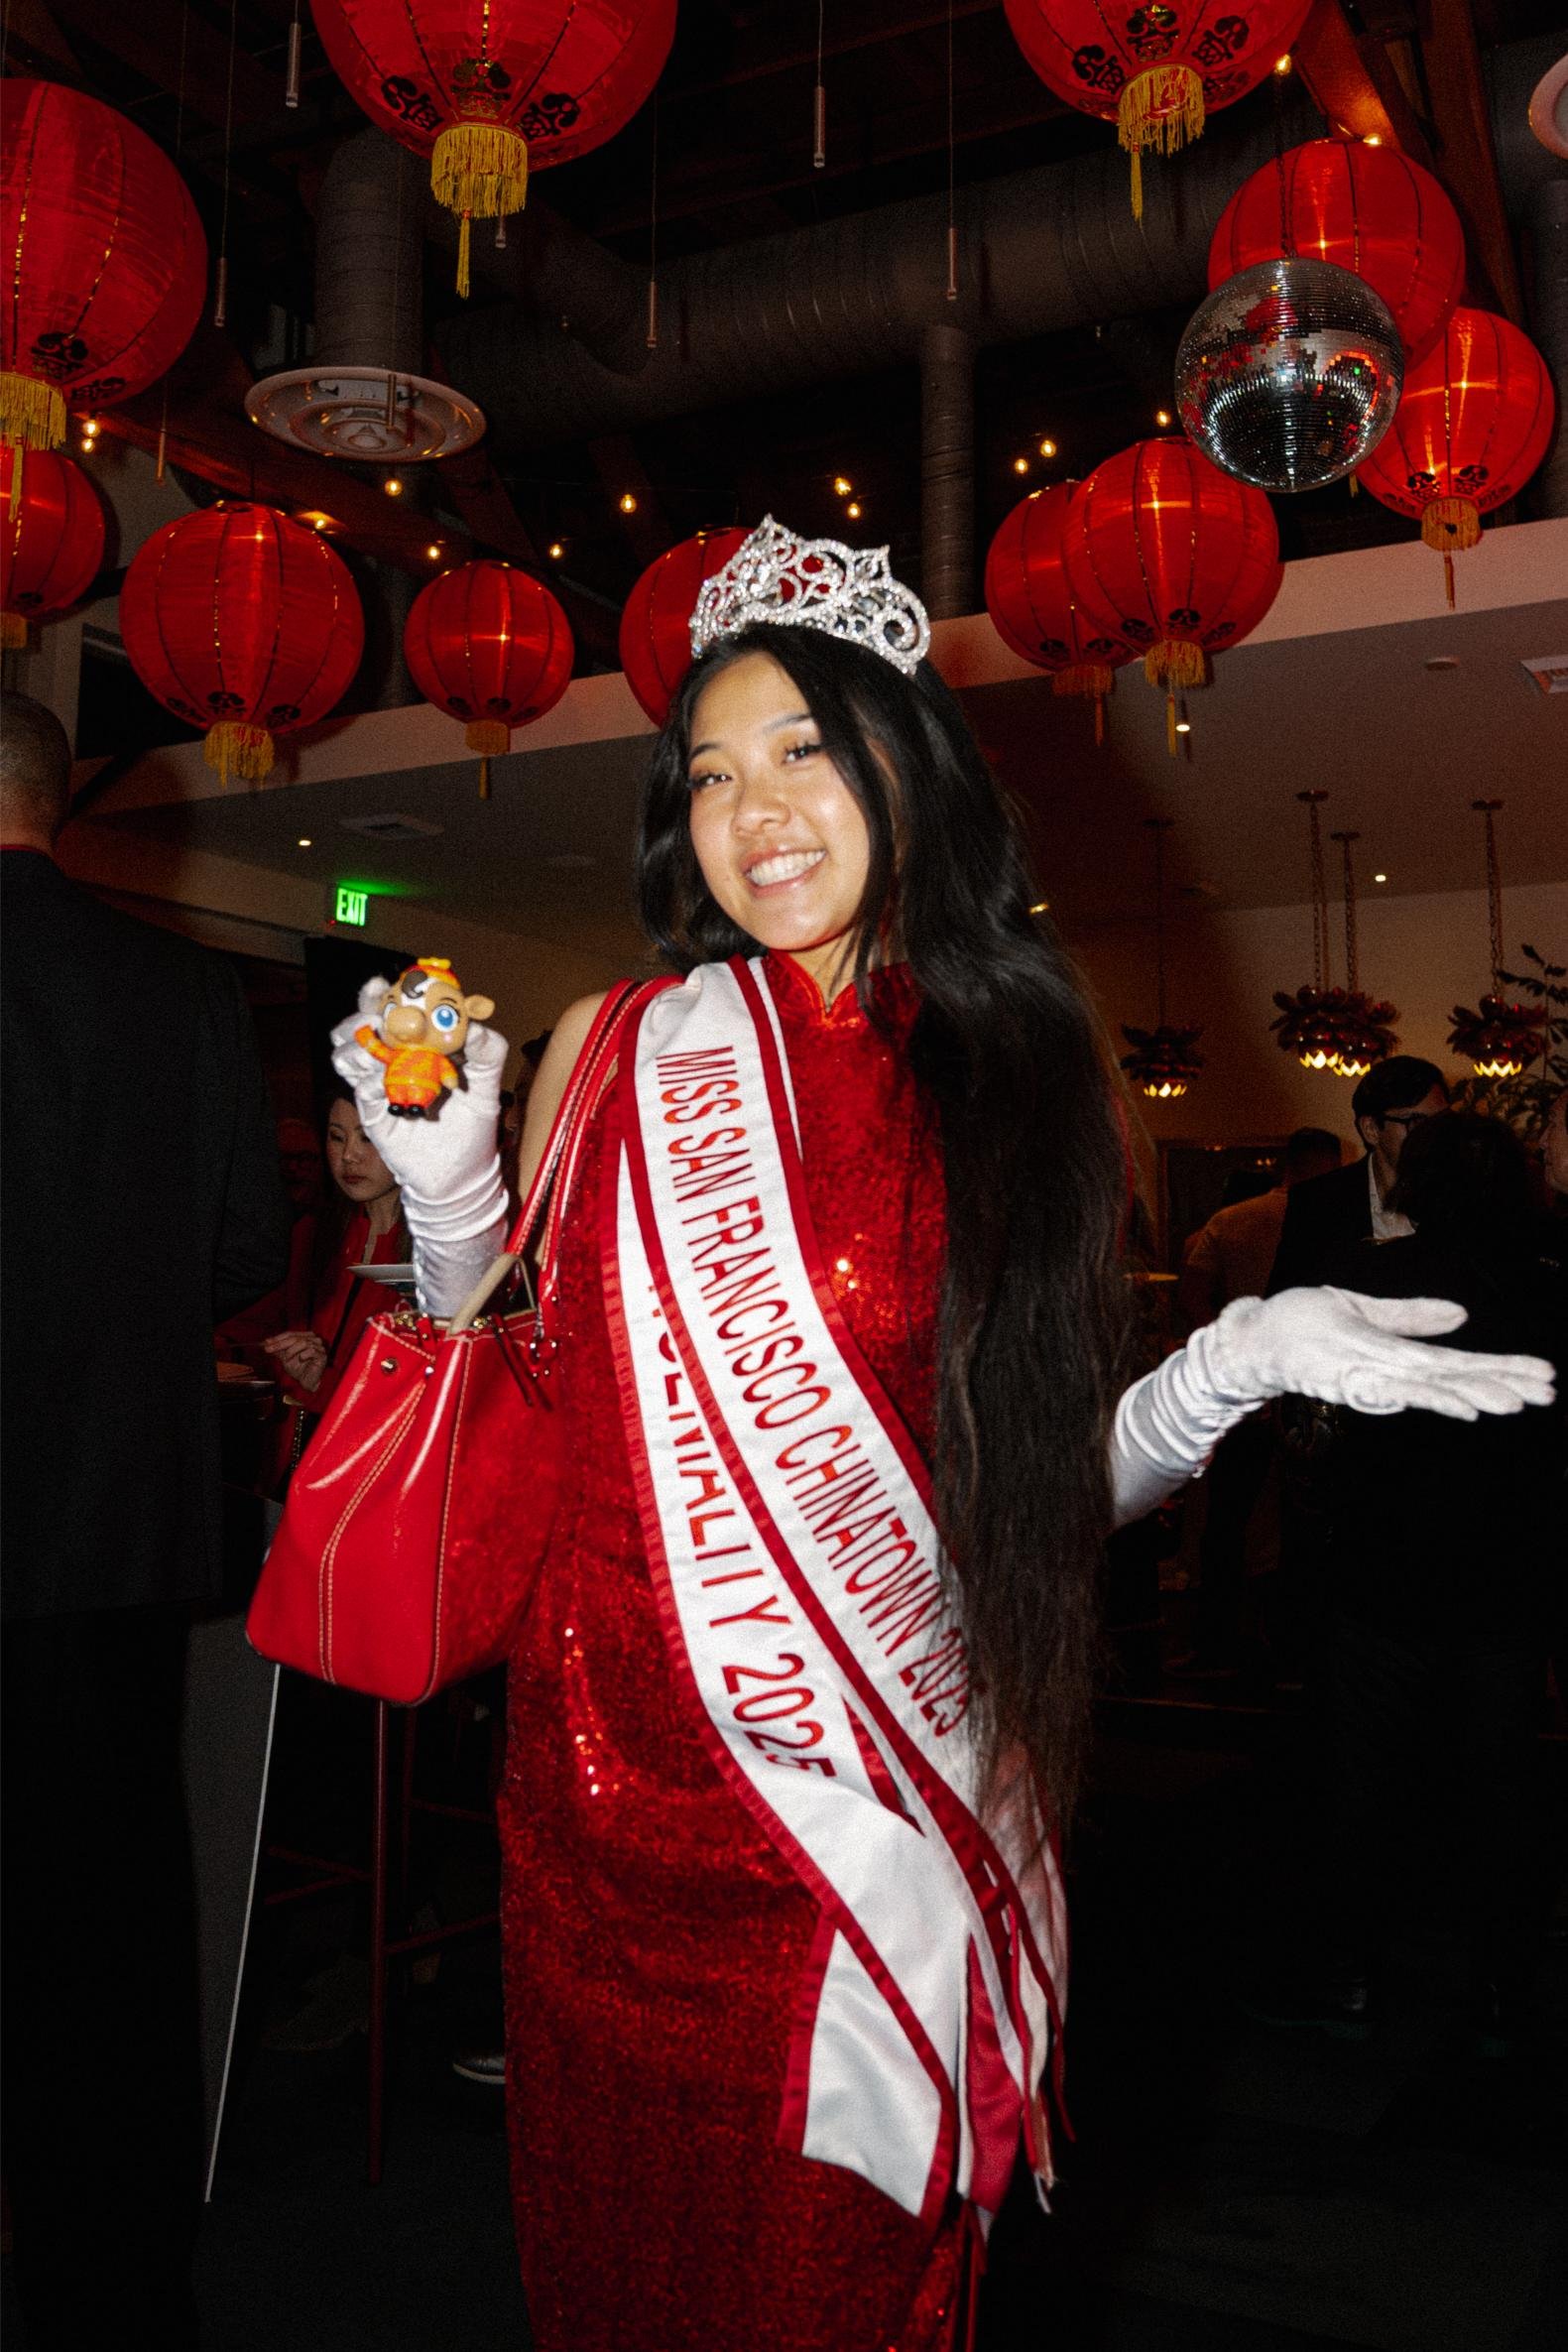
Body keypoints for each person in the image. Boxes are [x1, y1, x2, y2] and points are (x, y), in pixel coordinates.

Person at [326, 522, 1552, 2352]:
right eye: (713, 771)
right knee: (607, 2278)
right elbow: (534, 1378)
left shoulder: (1019, 1074)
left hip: (856, 1818)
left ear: (910, 766)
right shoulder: (615, 1035)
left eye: (806, 750)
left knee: (838, 2291)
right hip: (597, 1808)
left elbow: (1040, 1500)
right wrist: (444, 1207)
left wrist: (1224, 1369)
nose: (757, 813)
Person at [1, 693, 293, 2349]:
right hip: (108, 1534)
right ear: (55, 800)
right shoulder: (180, 990)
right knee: (105, 1943)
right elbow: (246, 1252)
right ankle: (110, 2297)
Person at [1297, 1115, 1567, 2044]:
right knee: (1501, 1781)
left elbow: (1315, 1422)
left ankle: (1352, 1974)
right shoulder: (1544, 1289)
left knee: (1364, 1778)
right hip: (1505, 1571)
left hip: (1387, 1566)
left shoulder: (1367, 1281)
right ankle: (1501, 1980)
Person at [1174, 1127, 1342, 1671]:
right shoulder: (1339, 1220)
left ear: (1285, 1164)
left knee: (1229, 1513)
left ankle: (1216, 1636)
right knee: (1307, 1516)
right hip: (1315, 1389)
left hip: (1247, 1385)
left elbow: (1192, 1293)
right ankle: (1297, 1639)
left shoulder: (1233, 1220)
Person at [261, 1092, 408, 1423]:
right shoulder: (314, 1235)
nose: (348, 1155)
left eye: (368, 1137)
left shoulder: (438, 1252)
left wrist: (321, 1381)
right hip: (300, 1444)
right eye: (337, 1137)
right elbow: (265, 1330)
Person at [1266, 1056, 1449, 1295]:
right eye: (1414, 1122)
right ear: (1371, 1129)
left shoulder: (1467, 1195)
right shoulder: (1318, 1202)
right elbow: (1286, 1302)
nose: (1434, 1136)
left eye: (1442, 1122)